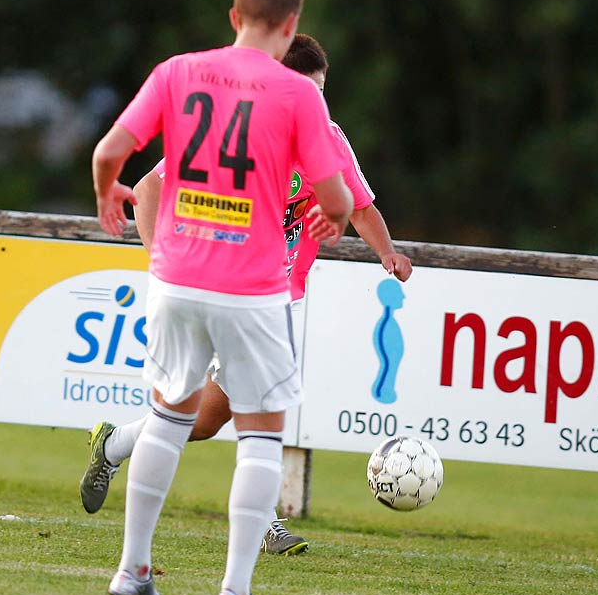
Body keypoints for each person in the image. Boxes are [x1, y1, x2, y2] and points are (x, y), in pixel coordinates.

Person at [79, 34, 412, 553]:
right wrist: (160, 261)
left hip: (278, 295)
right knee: (221, 411)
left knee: (209, 419)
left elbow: (360, 206)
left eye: (320, 92)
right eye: (304, 88)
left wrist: (387, 253)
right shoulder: (234, 128)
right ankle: (256, 530)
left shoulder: (327, 138)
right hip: (213, 285)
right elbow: (148, 191)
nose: (312, 101)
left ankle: (115, 445)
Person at [91, 0, 353, 595]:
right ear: (290, 25)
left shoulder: (177, 72)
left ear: (234, 16)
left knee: (167, 419)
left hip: (177, 276)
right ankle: (234, 590)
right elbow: (332, 196)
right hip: (254, 285)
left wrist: (107, 195)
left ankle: (131, 571)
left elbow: (108, 153)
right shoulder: (299, 94)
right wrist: (337, 215)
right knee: (261, 435)